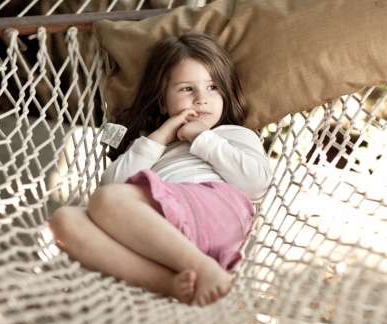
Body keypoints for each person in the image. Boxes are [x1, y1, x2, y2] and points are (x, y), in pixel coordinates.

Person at [49, 33, 271, 306]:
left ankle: (202, 267)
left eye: (213, 87)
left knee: (108, 201)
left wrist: (202, 138)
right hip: (164, 235)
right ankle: (170, 283)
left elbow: (255, 183)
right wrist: (162, 136)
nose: (201, 99)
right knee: (64, 222)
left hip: (215, 212)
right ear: (164, 103)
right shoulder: (153, 148)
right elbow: (111, 184)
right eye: (187, 89)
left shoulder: (234, 135)